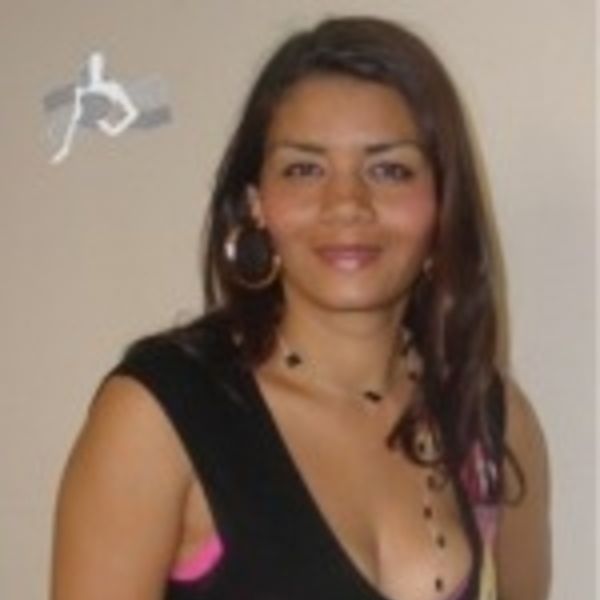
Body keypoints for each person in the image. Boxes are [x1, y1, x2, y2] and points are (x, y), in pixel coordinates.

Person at [50, 16, 551, 600]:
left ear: (443, 202)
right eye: (304, 169)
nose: (346, 203)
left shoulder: (490, 419)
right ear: (256, 204)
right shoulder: (158, 415)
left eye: (389, 169)